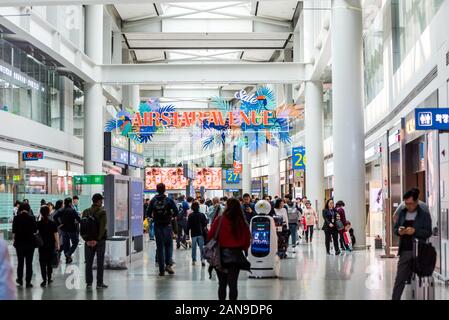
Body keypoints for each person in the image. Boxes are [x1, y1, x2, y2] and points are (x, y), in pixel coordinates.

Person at [392, 188, 432, 300]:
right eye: (406, 203)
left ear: (416, 201)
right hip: (405, 250)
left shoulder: (424, 214)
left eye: (410, 203)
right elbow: (395, 228)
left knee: (421, 280)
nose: (408, 206)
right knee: (399, 279)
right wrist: (399, 231)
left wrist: (415, 231)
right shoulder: (402, 213)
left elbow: (428, 232)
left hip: (420, 251)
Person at [208, 198, 251, 300]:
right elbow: (246, 241)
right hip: (236, 257)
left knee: (222, 284)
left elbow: (210, 236)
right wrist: (242, 248)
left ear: (227, 207)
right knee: (233, 285)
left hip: (220, 256)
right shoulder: (242, 222)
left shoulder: (219, 220)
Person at [148, 183, 179, 276]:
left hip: (157, 226)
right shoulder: (169, 200)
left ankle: (161, 270)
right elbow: (176, 212)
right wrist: (171, 217)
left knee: (160, 247)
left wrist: (154, 218)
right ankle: (168, 265)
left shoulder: (153, 200)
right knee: (169, 245)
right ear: (165, 189)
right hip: (167, 226)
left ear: (156, 190)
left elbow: (148, 213)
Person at [82, 193, 108, 289]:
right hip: (99, 241)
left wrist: (87, 239)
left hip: (88, 241)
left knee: (88, 262)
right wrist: (97, 240)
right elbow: (102, 228)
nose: (102, 202)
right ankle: (99, 283)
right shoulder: (102, 212)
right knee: (100, 262)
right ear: (98, 201)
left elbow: (82, 228)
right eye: (101, 200)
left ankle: (89, 283)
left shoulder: (85, 212)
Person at [12, 202, 37, 288]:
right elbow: (35, 231)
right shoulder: (32, 218)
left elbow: (14, 232)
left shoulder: (16, 218)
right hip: (30, 243)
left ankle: (20, 279)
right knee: (29, 263)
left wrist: (14, 241)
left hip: (19, 243)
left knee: (20, 262)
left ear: (20, 209)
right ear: (28, 209)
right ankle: (28, 282)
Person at [37, 206, 60, 287]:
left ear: (41, 213)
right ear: (49, 212)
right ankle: (49, 278)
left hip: (42, 246)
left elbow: (36, 234)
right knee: (50, 263)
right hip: (51, 246)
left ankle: (44, 280)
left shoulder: (38, 223)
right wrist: (57, 244)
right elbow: (56, 235)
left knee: (42, 263)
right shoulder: (53, 223)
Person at [53, 197, 80, 264]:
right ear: (70, 203)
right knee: (75, 242)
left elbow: (54, 217)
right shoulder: (72, 210)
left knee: (66, 244)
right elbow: (78, 218)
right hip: (72, 229)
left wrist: (59, 224)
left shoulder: (61, 210)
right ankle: (69, 253)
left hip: (63, 229)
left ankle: (68, 258)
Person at [187, 201, 208, 266]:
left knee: (193, 247)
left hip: (193, 234)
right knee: (201, 247)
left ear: (192, 208)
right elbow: (205, 223)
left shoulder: (190, 215)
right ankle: (203, 260)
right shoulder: (202, 215)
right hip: (200, 233)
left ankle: (194, 260)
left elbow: (188, 225)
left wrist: (187, 233)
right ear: (198, 207)